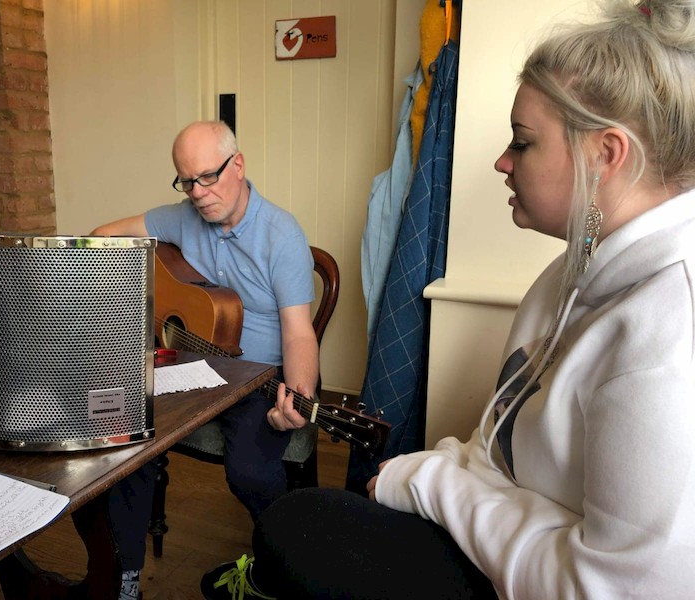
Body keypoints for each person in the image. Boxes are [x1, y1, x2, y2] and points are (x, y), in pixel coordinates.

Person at [199, 1, 695, 598]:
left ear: (604, 154)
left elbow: (611, 586)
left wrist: (433, 485)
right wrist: (435, 467)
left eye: (523, 142)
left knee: (293, 528)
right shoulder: (565, 275)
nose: (501, 161)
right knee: (301, 525)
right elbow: (499, 449)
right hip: (512, 535)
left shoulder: (670, 333)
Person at [91, 120, 319, 599]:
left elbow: (299, 333)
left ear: (237, 165)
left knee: (251, 471)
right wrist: (129, 302)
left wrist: (296, 397)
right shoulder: (181, 216)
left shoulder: (283, 235)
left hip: (256, 377)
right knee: (121, 438)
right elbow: (102, 236)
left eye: (207, 178)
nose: (197, 193)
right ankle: (124, 579)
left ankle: (286, 569)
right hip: (187, 369)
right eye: (186, 181)